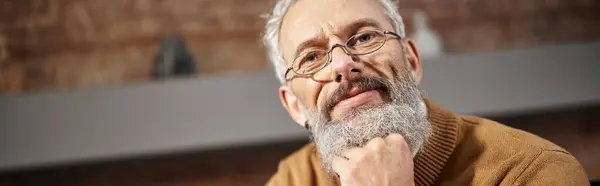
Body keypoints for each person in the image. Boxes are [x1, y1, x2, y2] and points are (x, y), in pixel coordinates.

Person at [261, 0, 589, 185]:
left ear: (412, 60)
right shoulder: (293, 179)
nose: (343, 64)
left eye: (364, 38)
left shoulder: (532, 171)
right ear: (294, 106)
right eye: (312, 58)